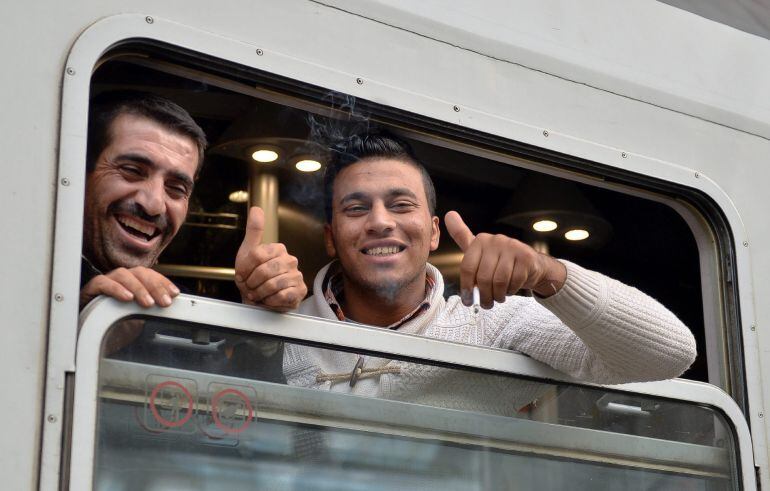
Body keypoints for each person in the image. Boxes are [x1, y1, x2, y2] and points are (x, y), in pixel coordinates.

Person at [278, 130, 697, 403]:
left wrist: (547, 273)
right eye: (357, 208)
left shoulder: (492, 324)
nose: (381, 221)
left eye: (401, 205)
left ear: (434, 232)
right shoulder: (284, 328)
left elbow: (668, 355)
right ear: (331, 237)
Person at [81, 93, 305, 312]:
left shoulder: (179, 307)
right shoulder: (49, 285)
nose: (154, 204)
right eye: (131, 171)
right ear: (82, 172)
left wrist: (258, 315)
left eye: (176, 188)